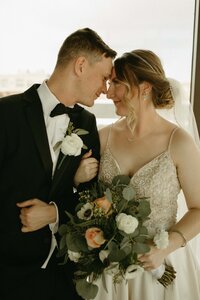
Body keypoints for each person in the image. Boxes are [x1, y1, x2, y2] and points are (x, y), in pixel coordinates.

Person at [0, 27, 116, 300]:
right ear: (80, 65)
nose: (105, 89)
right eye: (103, 78)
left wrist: (54, 213)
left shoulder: (87, 123)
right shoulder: (6, 114)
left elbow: (93, 201)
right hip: (8, 275)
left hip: (65, 275)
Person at [75, 49, 200, 299]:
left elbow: (198, 208)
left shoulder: (179, 143)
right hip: (111, 271)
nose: (109, 93)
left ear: (144, 88)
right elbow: (90, 202)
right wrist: (77, 179)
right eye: (109, 84)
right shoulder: (103, 138)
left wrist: (164, 249)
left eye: (117, 84)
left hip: (162, 267)